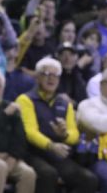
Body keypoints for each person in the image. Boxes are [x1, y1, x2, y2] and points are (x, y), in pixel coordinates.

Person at [16, 57, 98, 193]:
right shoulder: (25, 99)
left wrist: (65, 135)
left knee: (89, 179)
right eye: (47, 74)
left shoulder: (65, 103)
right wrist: (50, 145)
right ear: (37, 77)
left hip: (56, 154)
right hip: (32, 152)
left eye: (55, 75)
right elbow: (30, 132)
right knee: (49, 174)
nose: (51, 79)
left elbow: (74, 134)